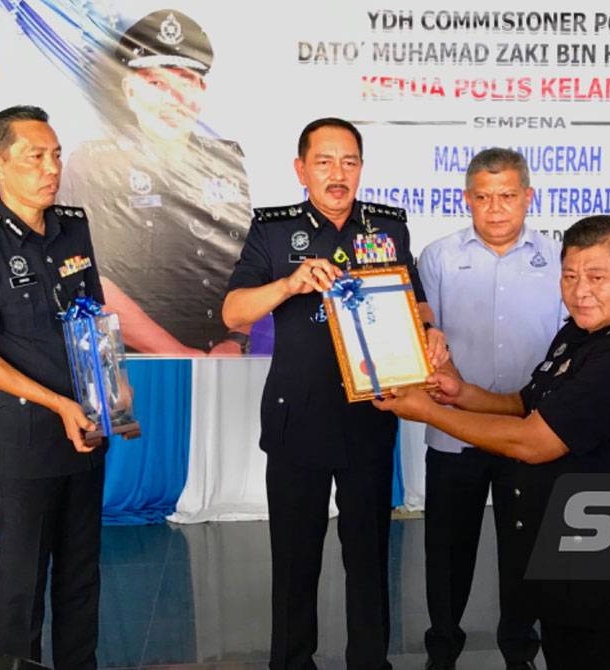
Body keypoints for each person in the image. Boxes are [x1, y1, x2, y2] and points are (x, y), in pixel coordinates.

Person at [376, 215, 610, 668]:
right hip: (579, 566)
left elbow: (534, 442)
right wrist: (458, 392)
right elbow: (527, 404)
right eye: (570, 276)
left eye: (597, 277)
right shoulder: (582, 333)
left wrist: (427, 411)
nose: (580, 291)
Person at [222, 117, 448, 670]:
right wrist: (289, 283)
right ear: (301, 169)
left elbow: (415, 302)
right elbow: (233, 311)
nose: (337, 173)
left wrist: (429, 329)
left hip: (367, 418)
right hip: (296, 417)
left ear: (361, 169)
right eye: (324, 162)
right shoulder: (274, 231)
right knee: (295, 561)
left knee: (368, 558)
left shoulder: (388, 228)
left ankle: (370, 661)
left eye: (349, 161)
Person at [0, 105, 112, 669]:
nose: (50, 168)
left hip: (84, 432)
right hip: (22, 444)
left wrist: (111, 387)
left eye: (56, 154)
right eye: (34, 157)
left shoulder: (73, 226)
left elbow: (91, 319)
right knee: (20, 587)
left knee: (81, 577)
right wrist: (59, 403)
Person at [416, 148, 563, 670]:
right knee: (447, 552)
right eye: (483, 197)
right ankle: (443, 650)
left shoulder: (558, 259)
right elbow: (421, 331)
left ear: (528, 196)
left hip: (529, 432)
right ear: (467, 199)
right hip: (455, 432)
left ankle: (520, 653)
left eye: (507, 196)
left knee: (524, 554)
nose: (495, 208)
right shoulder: (435, 257)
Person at [59, 9, 261, 356]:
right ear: (130, 91)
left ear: (202, 90)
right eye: (156, 84)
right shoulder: (93, 165)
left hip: (219, 361)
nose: (173, 99)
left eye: (185, 80)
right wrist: (179, 356)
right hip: (131, 365)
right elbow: (83, 277)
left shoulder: (226, 162)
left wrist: (236, 340)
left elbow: (250, 265)